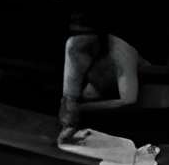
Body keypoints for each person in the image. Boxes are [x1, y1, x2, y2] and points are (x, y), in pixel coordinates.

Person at [59, 12, 145, 141]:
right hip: (106, 92)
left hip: (143, 94)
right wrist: (68, 119)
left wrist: (81, 108)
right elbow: (68, 101)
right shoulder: (74, 47)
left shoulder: (121, 49)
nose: (81, 46)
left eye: (87, 44)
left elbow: (129, 101)